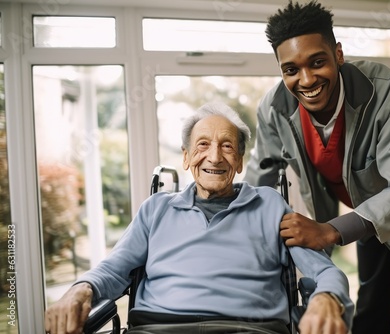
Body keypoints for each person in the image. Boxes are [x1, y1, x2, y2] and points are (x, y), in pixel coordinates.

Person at [44, 101, 354, 334]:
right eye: (203, 145)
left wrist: (327, 297)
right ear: (186, 156)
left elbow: (327, 271)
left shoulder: (270, 206)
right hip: (158, 330)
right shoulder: (156, 209)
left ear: (241, 161)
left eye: (227, 146)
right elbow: (113, 270)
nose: (215, 157)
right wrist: (79, 289)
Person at [243, 1, 390, 334]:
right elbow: (262, 175)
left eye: (317, 62)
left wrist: (329, 230)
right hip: (367, 212)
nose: (306, 79)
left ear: (338, 55)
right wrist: (236, 226)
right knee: (370, 307)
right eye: (291, 70)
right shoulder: (274, 108)